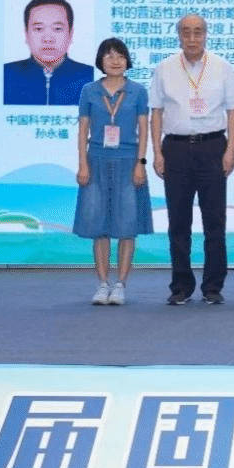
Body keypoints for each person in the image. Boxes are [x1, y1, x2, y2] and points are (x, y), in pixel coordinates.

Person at [149, 14, 234, 305]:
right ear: (178, 35)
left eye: (197, 32)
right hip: (175, 149)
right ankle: (181, 286)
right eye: (186, 32)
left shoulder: (222, 67)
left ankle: (213, 286)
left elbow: (233, 112)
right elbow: (156, 113)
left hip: (213, 146)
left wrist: (230, 151)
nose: (192, 38)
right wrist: (157, 153)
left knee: (215, 221)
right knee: (178, 222)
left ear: (206, 35)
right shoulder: (164, 68)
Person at [73, 38, 153, 306]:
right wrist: (82, 163)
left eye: (120, 56)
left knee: (127, 225)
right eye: (109, 56)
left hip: (128, 161)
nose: (115, 61)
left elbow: (144, 130)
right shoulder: (89, 91)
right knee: (99, 226)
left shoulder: (138, 91)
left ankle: (120, 285)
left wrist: (141, 163)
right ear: (101, 61)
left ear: (127, 60)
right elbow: (83, 130)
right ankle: (102, 284)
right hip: (96, 160)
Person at [3, 0, 95, 105]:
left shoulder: (92, 78)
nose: (48, 39)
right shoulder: (4, 76)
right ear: (26, 34)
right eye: (38, 29)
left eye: (57, 29)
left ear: (70, 34)